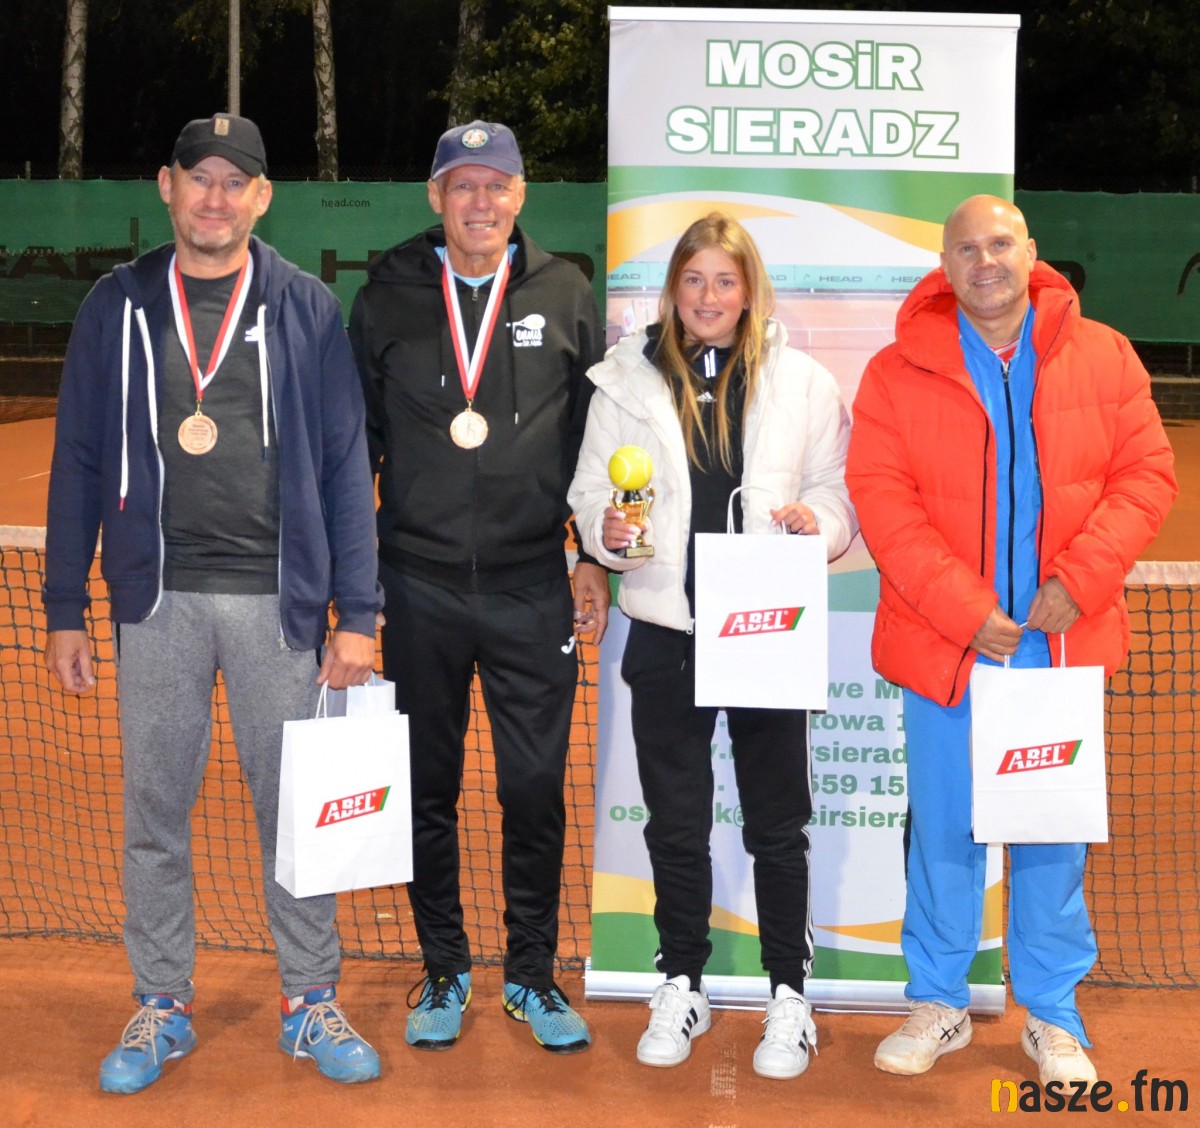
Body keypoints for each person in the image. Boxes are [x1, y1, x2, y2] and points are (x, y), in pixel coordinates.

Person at [43, 113, 384, 1093]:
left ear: (262, 198)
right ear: (167, 185)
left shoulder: (306, 306)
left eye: (236, 182)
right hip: (158, 604)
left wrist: (357, 614)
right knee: (154, 812)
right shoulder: (116, 305)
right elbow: (78, 457)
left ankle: (309, 999)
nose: (215, 198)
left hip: (278, 604)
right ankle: (162, 1002)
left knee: (295, 815)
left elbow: (343, 461)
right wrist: (65, 606)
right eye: (200, 178)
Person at [845, 195, 1177, 1088]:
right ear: (944, 265)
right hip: (948, 645)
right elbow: (882, 500)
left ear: (1031, 252)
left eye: (1001, 244)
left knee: (1050, 838)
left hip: (1057, 650)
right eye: (967, 249)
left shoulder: (1105, 355)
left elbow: (1146, 474)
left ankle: (1053, 1015)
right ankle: (939, 1002)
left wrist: (1079, 581)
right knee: (944, 833)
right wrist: (965, 610)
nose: (985, 261)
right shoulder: (893, 372)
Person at [569, 213, 857, 1079]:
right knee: (677, 823)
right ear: (673, 290)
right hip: (667, 632)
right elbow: (591, 494)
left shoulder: (802, 381)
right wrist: (607, 533)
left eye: (724, 281)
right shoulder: (622, 378)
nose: (708, 296)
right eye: (693, 280)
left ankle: (788, 994)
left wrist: (817, 522)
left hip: (765, 628)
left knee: (778, 825)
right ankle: (681, 982)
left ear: (748, 290)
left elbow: (835, 491)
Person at [348, 120, 609, 1054]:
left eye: (496, 184)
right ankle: (445, 965)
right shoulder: (384, 294)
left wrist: (592, 556)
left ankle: (531, 974)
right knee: (428, 786)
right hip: (417, 586)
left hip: (531, 584)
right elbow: (356, 444)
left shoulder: (565, 292)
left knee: (534, 787)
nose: (480, 201)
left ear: (521, 195)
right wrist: (354, 582)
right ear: (436, 197)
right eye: (462, 185)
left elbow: (593, 438)